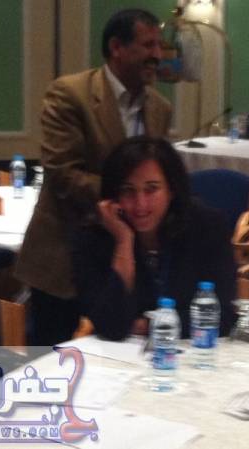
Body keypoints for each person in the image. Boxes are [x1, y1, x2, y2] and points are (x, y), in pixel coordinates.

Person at [15, 9, 172, 345]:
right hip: (63, 258)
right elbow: (63, 173)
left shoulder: (160, 108)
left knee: (119, 351)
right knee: (55, 360)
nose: (158, 55)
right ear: (116, 47)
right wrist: (132, 197)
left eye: (159, 46)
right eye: (148, 45)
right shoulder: (70, 94)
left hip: (126, 259)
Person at [71, 136, 237, 341]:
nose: (140, 204)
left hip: (194, 350)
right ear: (113, 196)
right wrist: (124, 241)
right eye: (128, 191)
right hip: (117, 356)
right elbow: (111, 327)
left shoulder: (207, 226)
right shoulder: (93, 237)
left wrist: (148, 325)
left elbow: (222, 317)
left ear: (171, 190)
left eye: (151, 189)